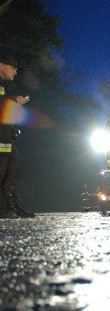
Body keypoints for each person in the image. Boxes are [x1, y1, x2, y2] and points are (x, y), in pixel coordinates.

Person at [0, 53, 34, 218]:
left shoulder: (3, 85)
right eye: (13, 68)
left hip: (6, 135)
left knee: (13, 169)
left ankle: (11, 207)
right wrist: (15, 102)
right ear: (1, 65)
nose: (15, 72)